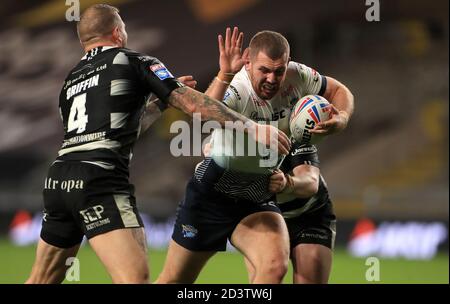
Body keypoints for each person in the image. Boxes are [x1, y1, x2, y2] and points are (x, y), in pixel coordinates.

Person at [26, 6, 290, 284]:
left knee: (41, 280)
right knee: (135, 279)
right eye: (124, 28)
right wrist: (250, 126)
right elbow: (190, 104)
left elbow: (114, 132)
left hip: (59, 180)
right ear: (117, 32)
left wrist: (160, 104)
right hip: (99, 180)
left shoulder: (71, 80)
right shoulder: (134, 61)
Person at [156, 28, 353, 283]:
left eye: (279, 70)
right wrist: (225, 74)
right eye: (264, 70)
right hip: (213, 191)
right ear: (248, 62)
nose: (272, 78)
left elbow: (339, 90)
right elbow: (201, 114)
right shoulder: (238, 88)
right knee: (174, 280)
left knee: (273, 267)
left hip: (256, 193)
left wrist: (343, 118)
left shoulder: (299, 76)